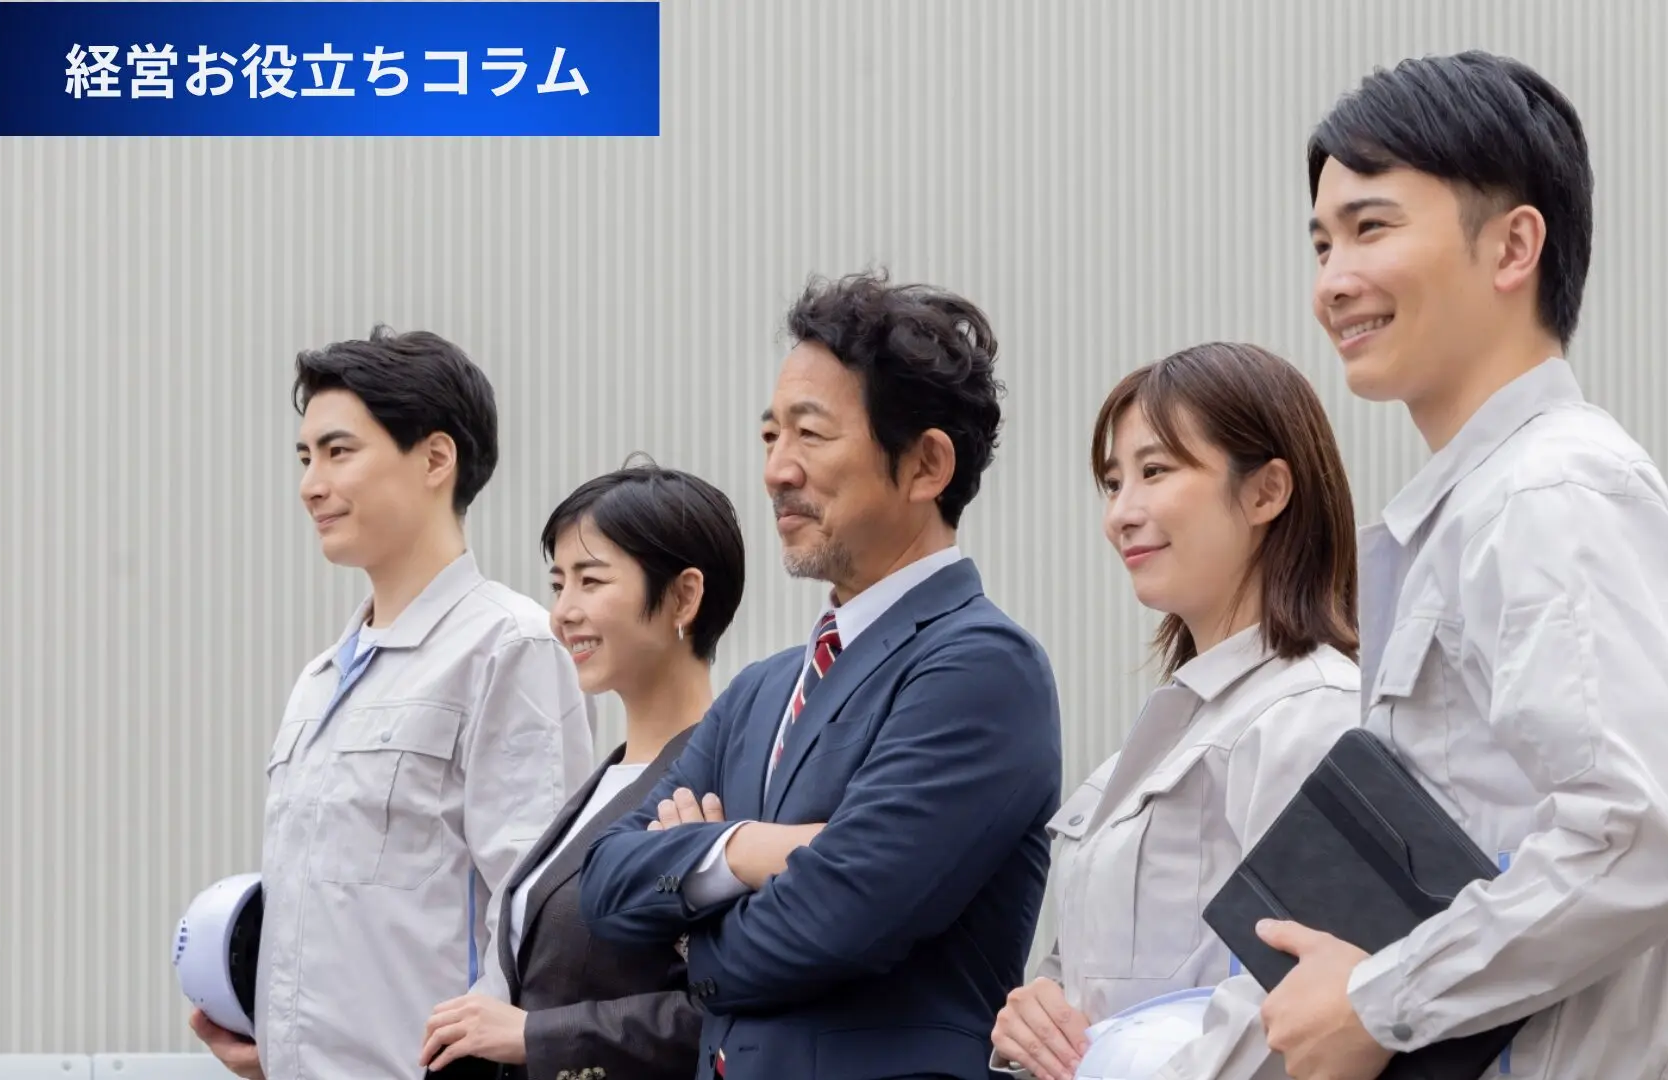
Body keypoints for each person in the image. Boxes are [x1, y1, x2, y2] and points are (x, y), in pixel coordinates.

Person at [1256, 51, 1668, 1080]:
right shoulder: (1476, 508)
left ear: (1513, 245)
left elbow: (1637, 833)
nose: (1331, 282)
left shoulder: (1549, 493)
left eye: (1372, 227)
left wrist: (1381, 1002)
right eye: (1321, 242)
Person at [578, 271, 1066, 1080]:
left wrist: (686, 926)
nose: (777, 470)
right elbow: (602, 882)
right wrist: (744, 851)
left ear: (926, 465)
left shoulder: (980, 666)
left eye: (810, 434)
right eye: (770, 436)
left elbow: (838, 919)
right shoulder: (761, 690)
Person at [191, 326, 596, 1080]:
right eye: (305, 458)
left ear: (436, 459)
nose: (311, 484)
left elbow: (540, 914)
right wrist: (272, 1043)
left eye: (338, 451)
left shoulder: (510, 647)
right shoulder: (319, 681)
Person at [986, 343, 1363, 1080]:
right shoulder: (1172, 729)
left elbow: (1302, 1007)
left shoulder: (1312, 715)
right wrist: (1034, 1017)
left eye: (1155, 471)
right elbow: (1093, 984)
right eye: (1112, 482)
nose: (1121, 514)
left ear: (1267, 492)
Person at [419, 459, 747, 1079]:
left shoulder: (728, 784)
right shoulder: (603, 783)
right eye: (557, 584)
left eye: (590, 581)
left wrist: (537, 1035)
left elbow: (729, 1005)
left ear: (684, 595)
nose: (562, 612)